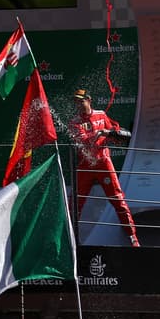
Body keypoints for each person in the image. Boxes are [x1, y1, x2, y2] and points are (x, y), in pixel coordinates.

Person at [68, 89, 140, 247]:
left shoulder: (101, 114)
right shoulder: (74, 122)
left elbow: (116, 132)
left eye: (81, 100)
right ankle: (70, 239)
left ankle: (132, 237)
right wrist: (101, 133)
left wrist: (113, 133)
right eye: (76, 102)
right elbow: (85, 142)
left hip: (103, 162)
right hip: (86, 164)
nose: (78, 104)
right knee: (75, 203)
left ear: (89, 99)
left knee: (118, 199)